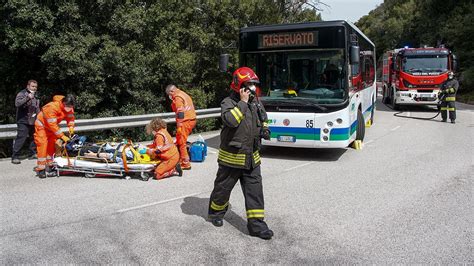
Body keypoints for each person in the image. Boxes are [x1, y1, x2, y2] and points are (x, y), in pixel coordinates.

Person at [208, 67, 273, 240]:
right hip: (232, 158)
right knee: (222, 189)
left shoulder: (256, 102)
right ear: (240, 85)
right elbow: (230, 120)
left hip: (252, 158)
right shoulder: (228, 102)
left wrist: (265, 130)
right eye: (249, 84)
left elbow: (264, 118)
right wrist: (243, 103)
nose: (253, 87)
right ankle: (216, 213)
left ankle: (257, 226)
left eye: (254, 84)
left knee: (255, 192)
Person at [34, 94, 76, 178]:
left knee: (51, 147)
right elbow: (52, 124)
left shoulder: (69, 107)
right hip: (42, 126)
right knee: (42, 146)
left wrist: (71, 127)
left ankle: (50, 165)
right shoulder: (52, 107)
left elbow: (70, 118)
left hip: (51, 128)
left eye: (71, 106)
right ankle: (41, 169)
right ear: (63, 103)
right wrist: (62, 136)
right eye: (67, 106)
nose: (69, 108)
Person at [165, 85, 196, 170]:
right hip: (191, 119)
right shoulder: (183, 93)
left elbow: (180, 112)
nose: (170, 97)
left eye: (169, 94)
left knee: (182, 142)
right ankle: (180, 158)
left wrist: (179, 124)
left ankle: (186, 164)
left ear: (172, 92)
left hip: (185, 121)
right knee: (179, 140)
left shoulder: (178, 97)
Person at [11, 80, 40, 164]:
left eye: (35, 87)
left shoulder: (36, 95)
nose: (34, 88)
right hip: (23, 120)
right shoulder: (22, 93)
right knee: (21, 138)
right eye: (32, 86)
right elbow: (17, 104)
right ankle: (15, 156)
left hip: (33, 119)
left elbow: (37, 107)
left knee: (34, 137)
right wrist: (28, 98)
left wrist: (39, 117)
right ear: (28, 86)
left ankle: (32, 153)